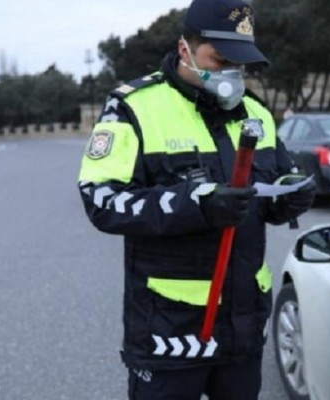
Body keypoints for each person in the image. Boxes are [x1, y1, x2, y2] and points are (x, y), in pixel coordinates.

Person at [76, 0, 316, 398]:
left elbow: (273, 183)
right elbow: (101, 200)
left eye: (240, 64)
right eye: (220, 60)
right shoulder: (134, 107)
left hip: (242, 323)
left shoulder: (254, 111)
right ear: (185, 47)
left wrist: (290, 196)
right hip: (170, 327)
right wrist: (197, 206)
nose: (231, 73)